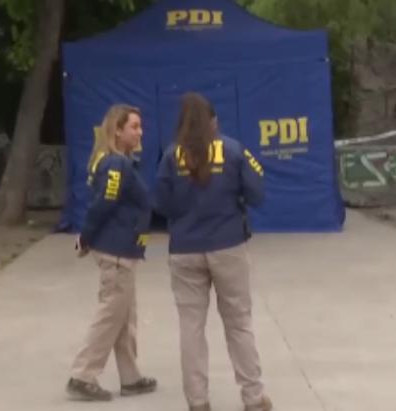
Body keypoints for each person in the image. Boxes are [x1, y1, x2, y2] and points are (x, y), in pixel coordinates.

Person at [155, 92, 272, 411]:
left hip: (184, 249)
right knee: (239, 323)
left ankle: (198, 401)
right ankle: (253, 397)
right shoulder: (233, 150)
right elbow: (257, 193)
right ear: (214, 122)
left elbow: (160, 203)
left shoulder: (171, 156)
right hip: (228, 245)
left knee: (191, 327)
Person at [66, 104, 157, 402]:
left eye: (141, 126)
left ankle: (130, 377)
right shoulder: (116, 164)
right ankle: (82, 376)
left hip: (124, 249)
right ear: (117, 131)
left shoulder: (120, 162)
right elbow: (104, 203)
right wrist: (85, 237)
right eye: (134, 127)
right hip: (116, 251)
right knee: (110, 315)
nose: (140, 132)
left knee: (125, 315)